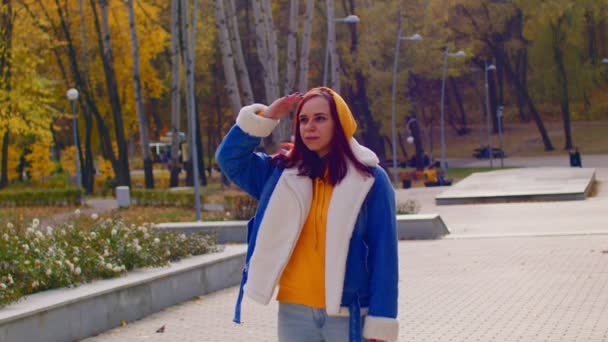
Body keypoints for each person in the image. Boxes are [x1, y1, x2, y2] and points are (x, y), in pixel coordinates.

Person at [216, 87, 399, 342]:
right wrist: (266, 117)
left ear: (340, 123)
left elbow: (385, 254)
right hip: (294, 313)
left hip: (348, 314)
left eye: (320, 118)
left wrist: (382, 322)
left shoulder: (370, 180)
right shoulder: (282, 174)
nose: (309, 126)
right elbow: (229, 159)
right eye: (303, 119)